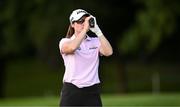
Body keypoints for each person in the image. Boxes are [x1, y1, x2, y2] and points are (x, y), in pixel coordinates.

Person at [59, 9, 113, 106]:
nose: (84, 23)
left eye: (85, 20)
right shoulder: (65, 42)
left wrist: (98, 31)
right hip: (71, 91)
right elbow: (72, 48)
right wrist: (84, 30)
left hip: (92, 92)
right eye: (80, 21)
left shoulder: (95, 41)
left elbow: (108, 52)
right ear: (72, 24)